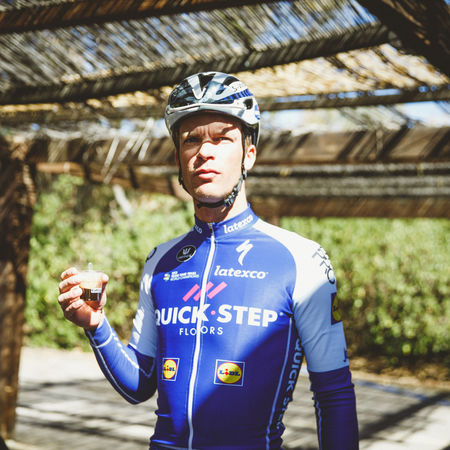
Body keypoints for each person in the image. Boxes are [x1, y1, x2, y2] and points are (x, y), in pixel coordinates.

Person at [58, 71, 359, 449]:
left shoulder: (302, 259)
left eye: (222, 138)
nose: (205, 151)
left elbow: (334, 395)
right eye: (191, 140)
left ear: (249, 155)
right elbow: (138, 385)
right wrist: (96, 324)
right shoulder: (161, 261)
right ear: (179, 159)